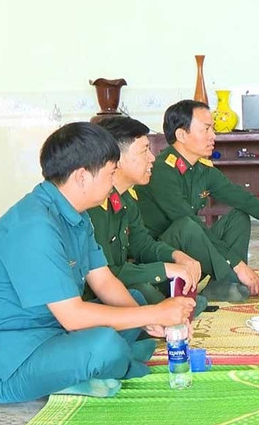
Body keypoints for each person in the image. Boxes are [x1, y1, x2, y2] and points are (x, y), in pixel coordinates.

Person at [0, 122, 195, 404]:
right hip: (2, 362)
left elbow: (104, 279)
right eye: (110, 174)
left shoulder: (75, 214)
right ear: (82, 177)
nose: (113, 182)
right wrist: (154, 314)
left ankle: (85, 369)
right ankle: (80, 373)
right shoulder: (34, 227)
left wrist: (151, 319)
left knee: (132, 299)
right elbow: (73, 316)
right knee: (105, 345)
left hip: (49, 331)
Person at [136, 100, 259, 302]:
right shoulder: (163, 170)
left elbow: (245, 200)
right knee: (187, 226)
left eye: (213, 129)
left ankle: (223, 284)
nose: (213, 136)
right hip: (160, 259)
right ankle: (239, 279)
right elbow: (189, 225)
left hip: (188, 251)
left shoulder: (201, 169)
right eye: (206, 129)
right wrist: (238, 264)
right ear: (181, 134)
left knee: (238, 216)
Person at [86, 116, 208, 313]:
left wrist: (176, 256)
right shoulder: (92, 207)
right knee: (140, 292)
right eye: (144, 151)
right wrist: (165, 270)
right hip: (93, 299)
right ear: (117, 159)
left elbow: (141, 244)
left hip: (119, 284)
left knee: (154, 291)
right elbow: (106, 275)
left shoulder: (125, 198)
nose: (152, 158)